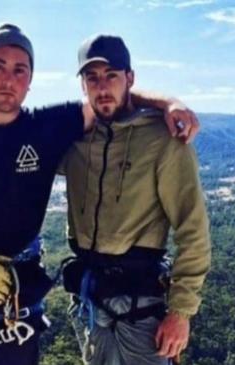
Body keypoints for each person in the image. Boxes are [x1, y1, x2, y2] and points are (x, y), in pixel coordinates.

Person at [0, 23, 199, 365]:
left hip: (17, 278)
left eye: (19, 69)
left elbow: (109, 100)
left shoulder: (46, 128)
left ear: (30, 80)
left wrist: (169, 103)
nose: (8, 79)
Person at [59, 34, 211, 365]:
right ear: (83, 85)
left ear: (130, 78)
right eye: (92, 78)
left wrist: (181, 312)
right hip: (89, 300)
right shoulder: (76, 138)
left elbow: (193, 230)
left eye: (111, 75)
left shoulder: (163, 140)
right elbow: (11, 137)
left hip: (141, 305)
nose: (102, 87)